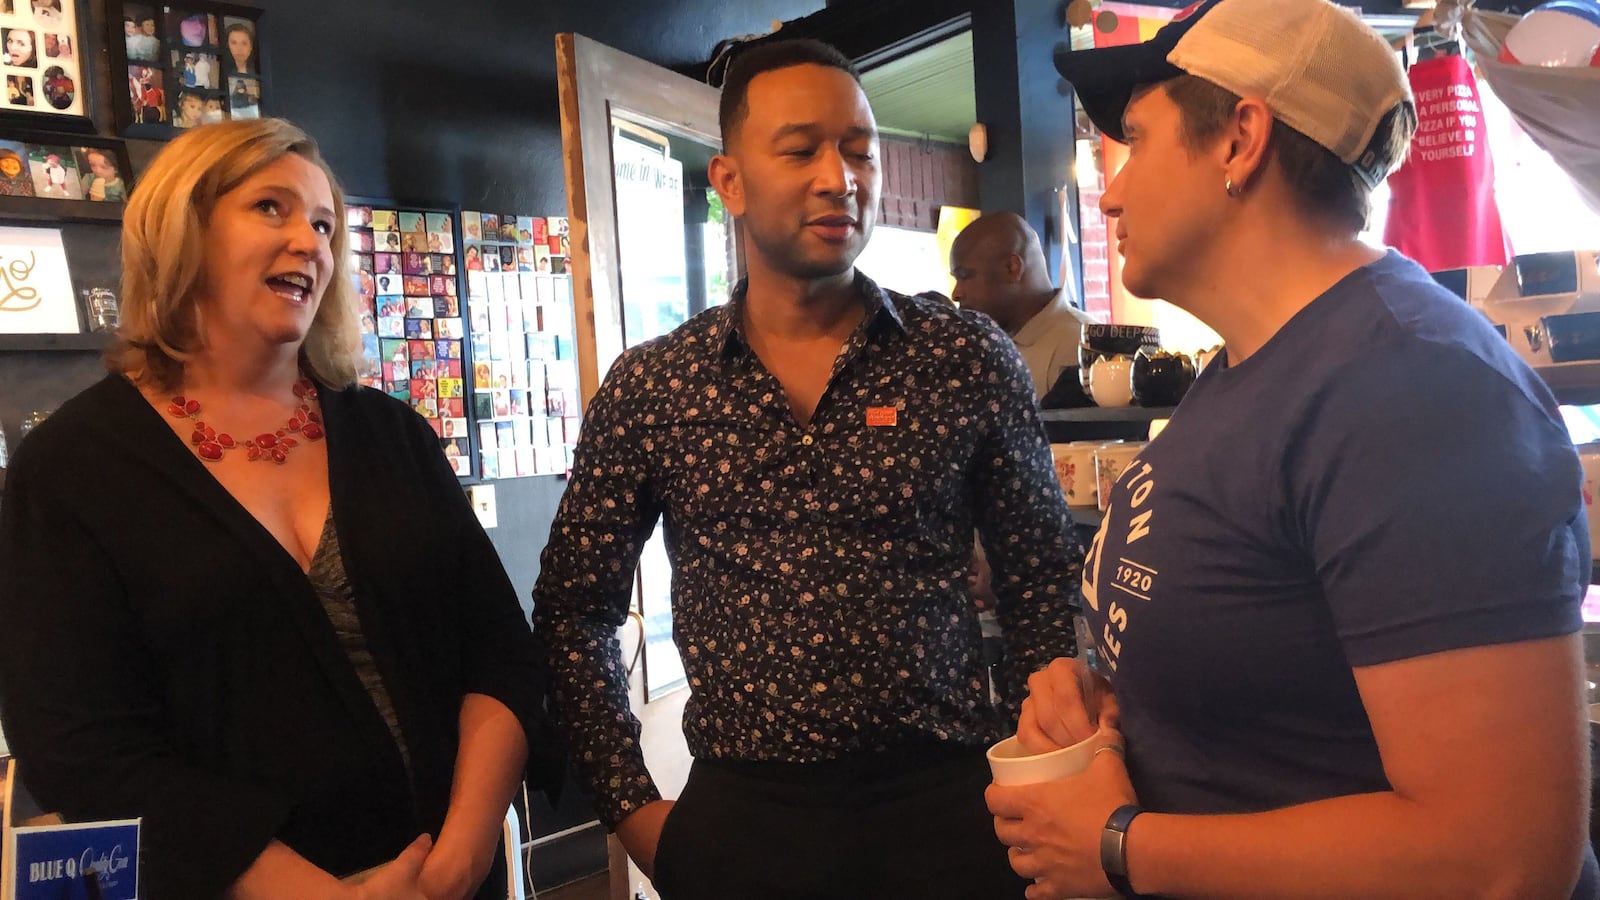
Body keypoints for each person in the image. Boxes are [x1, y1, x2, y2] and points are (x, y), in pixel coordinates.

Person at [986, 1, 1599, 898]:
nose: (1109, 192)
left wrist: (1122, 846)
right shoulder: (1251, 371)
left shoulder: (1412, 388)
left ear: (1240, 139)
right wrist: (1103, 707)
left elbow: (1499, 859)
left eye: (1140, 141)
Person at [531, 38, 1083, 900]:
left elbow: (1041, 573)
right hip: (743, 826)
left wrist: (1040, 768)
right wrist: (634, 812)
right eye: (801, 150)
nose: (841, 177)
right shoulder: (654, 386)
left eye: (859, 149)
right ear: (730, 181)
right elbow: (573, 609)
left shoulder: (962, 355)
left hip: (949, 809)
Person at [0, 118, 560, 900]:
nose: (310, 241)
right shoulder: (72, 468)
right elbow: (82, 748)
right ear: (181, 229)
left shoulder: (391, 435)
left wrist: (462, 854)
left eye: (325, 224)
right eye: (271, 208)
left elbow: (500, 653)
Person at [949, 211, 1098, 403]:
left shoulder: (1080, 344)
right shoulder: (986, 344)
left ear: (1012, 268)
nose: (956, 293)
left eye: (965, 276)